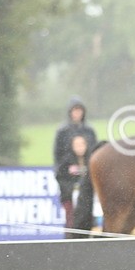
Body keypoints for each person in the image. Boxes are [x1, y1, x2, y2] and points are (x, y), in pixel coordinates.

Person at [53, 96, 98, 225]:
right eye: (74, 110)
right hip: (68, 180)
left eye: (80, 110)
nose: (77, 114)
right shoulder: (63, 131)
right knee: (71, 217)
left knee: (87, 216)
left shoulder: (89, 131)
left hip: (86, 180)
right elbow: (58, 156)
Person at [56, 134, 90, 237]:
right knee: (71, 221)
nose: (80, 147)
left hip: (86, 198)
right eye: (77, 145)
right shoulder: (67, 160)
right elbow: (60, 177)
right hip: (70, 197)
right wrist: (70, 189)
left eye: (82, 144)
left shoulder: (90, 159)